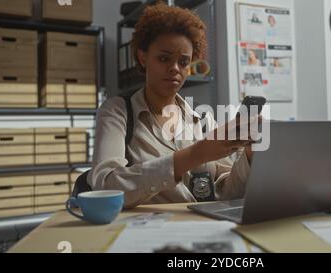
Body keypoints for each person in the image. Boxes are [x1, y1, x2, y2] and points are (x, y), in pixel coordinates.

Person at [87, 2, 253, 208]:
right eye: (164, 58)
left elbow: (225, 193)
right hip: (146, 234)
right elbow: (105, 187)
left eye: (183, 62)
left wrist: (248, 157)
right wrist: (196, 154)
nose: (174, 68)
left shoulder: (202, 119)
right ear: (143, 57)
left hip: (201, 230)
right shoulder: (117, 112)